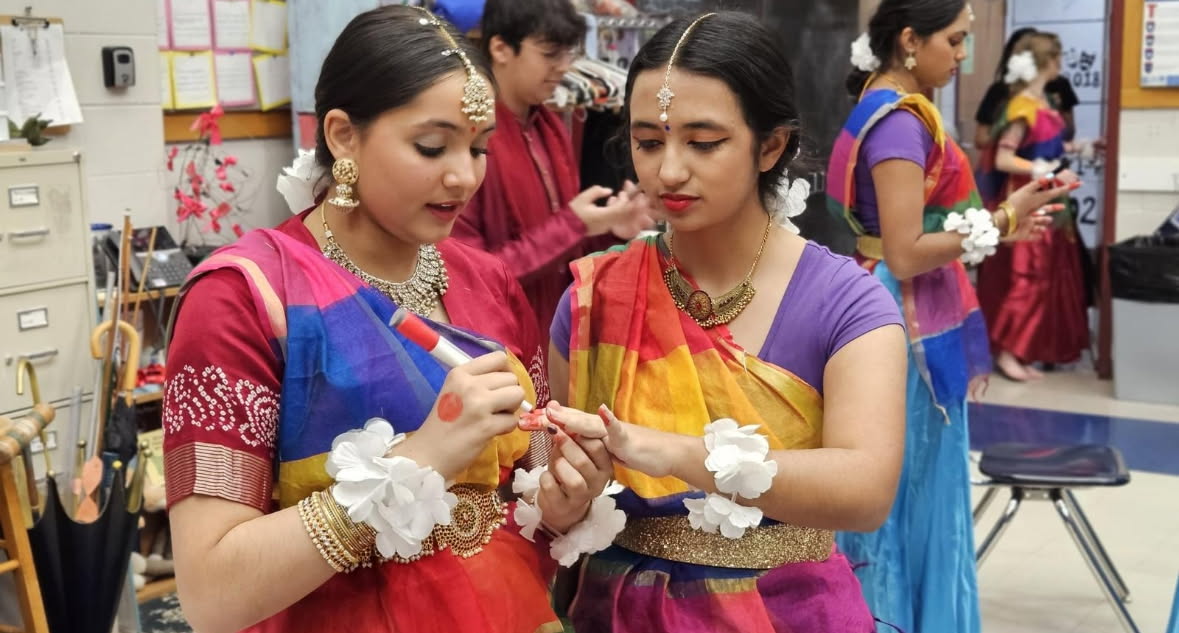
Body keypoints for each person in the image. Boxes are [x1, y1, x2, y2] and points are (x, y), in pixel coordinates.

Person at [164, 7, 615, 633]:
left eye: (479, 149)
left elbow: (527, 488)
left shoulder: (490, 283)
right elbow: (213, 596)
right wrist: (419, 460)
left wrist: (565, 494)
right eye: (431, 147)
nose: (463, 176)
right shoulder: (245, 298)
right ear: (344, 135)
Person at [545, 11, 911, 632]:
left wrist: (673, 452)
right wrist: (565, 497)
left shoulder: (848, 303)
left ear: (770, 146)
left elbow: (865, 488)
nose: (668, 172)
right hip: (609, 613)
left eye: (703, 142)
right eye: (648, 142)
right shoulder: (595, 295)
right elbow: (551, 486)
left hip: (787, 612)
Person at [827, 2, 1078, 631]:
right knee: (908, 490)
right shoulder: (899, 123)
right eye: (956, 39)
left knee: (909, 485)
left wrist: (1002, 226)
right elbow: (908, 252)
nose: (964, 54)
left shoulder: (888, 109)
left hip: (887, 300)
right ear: (910, 40)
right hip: (901, 316)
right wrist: (1004, 218)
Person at [452, 0, 653, 350]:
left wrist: (607, 228)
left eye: (568, 54)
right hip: (497, 345)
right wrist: (575, 225)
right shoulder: (467, 141)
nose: (564, 67)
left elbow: (561, 251)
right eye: (550, 54)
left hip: (552, 336)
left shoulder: (550, 126)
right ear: (500, 48)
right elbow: (471, 277)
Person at [975, 31, 1088, 380]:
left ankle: (1025, 348)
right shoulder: (1022, 107)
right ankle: (1009, 349)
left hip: (1049, 193)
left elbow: (1047, 146)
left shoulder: (1043, 104)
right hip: (1030, 195)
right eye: (1058, 59)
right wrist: (1043, 169)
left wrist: (1079, 147)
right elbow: (1005, 157)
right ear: (1046, 63)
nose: (1062, 65)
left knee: (1048, 272)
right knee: (1027, 273)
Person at [974, 27, 1080, 149]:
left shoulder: (1056, 88)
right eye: (1056, 58)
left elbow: (1068, 131)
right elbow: (984, 141)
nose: (1059, 64)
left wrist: (1075, 147)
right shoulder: (1016, 99)